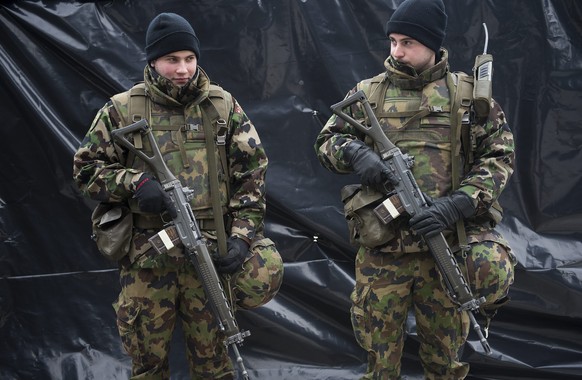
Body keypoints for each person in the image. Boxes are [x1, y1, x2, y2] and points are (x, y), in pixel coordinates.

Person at [73, 12, 283, 379]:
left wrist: (241, 238)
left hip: (210, 252)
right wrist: (135, 184)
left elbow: (252, 174)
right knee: (147, 361)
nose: (182, 69)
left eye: (189, 59)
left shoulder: (221, 106)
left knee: (215, 363)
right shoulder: (123, 110)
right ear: (153, 61)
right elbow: (86, 171)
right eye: (172, 60)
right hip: (148, 257)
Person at [314, 0, 516, 378]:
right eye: (392, 41)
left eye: (407, 42)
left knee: (444, 361)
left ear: (432, 44)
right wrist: (357, 154)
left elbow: (499, 157)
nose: (396, 51)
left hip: (446, 246)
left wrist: (458, 203)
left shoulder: (467, 96)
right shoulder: (369, 93)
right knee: (379, 361)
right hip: (384, 249)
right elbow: (327, 143)